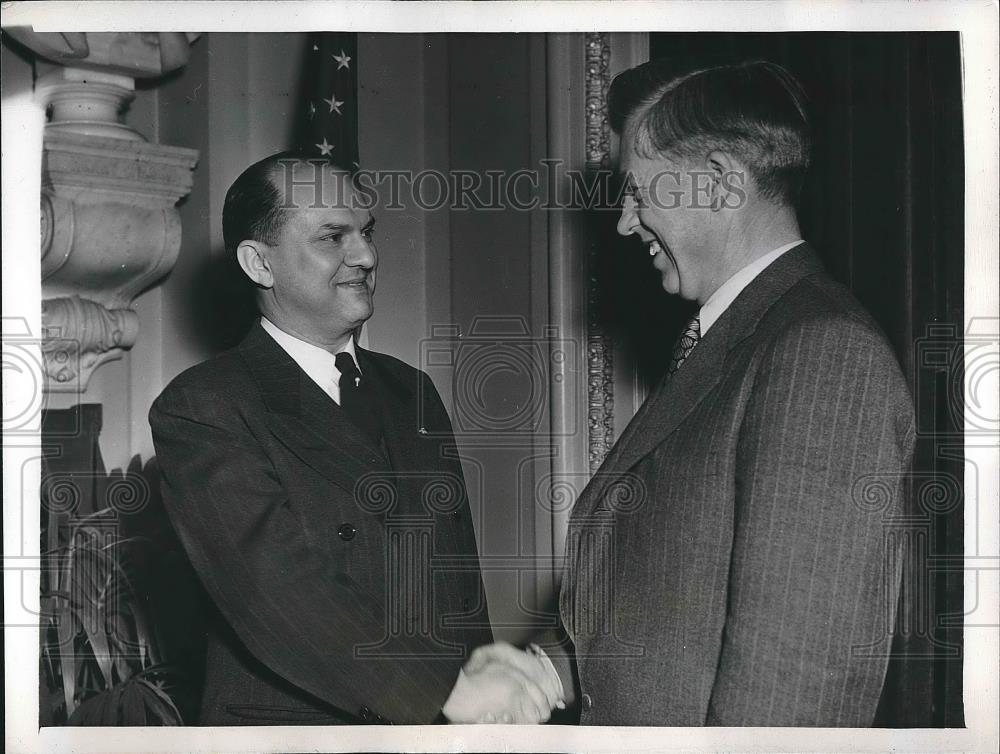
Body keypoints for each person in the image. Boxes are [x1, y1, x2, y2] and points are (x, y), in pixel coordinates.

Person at [477, 57, 915, 726]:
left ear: (716, 185)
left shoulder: (821, 353)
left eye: (638, 192)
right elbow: (677, 610)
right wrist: (547, 671)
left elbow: (792, 697)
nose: (626, 224)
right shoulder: (733, 342)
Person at [149, 152, 561, 725]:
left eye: (365, 233)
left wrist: (484, 714)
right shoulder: (205, 405)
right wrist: (446, 693)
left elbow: (456, 584)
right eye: (332, 238)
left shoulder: (409, 390)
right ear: (259, 263)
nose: (365, 256)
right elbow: (273, 590)